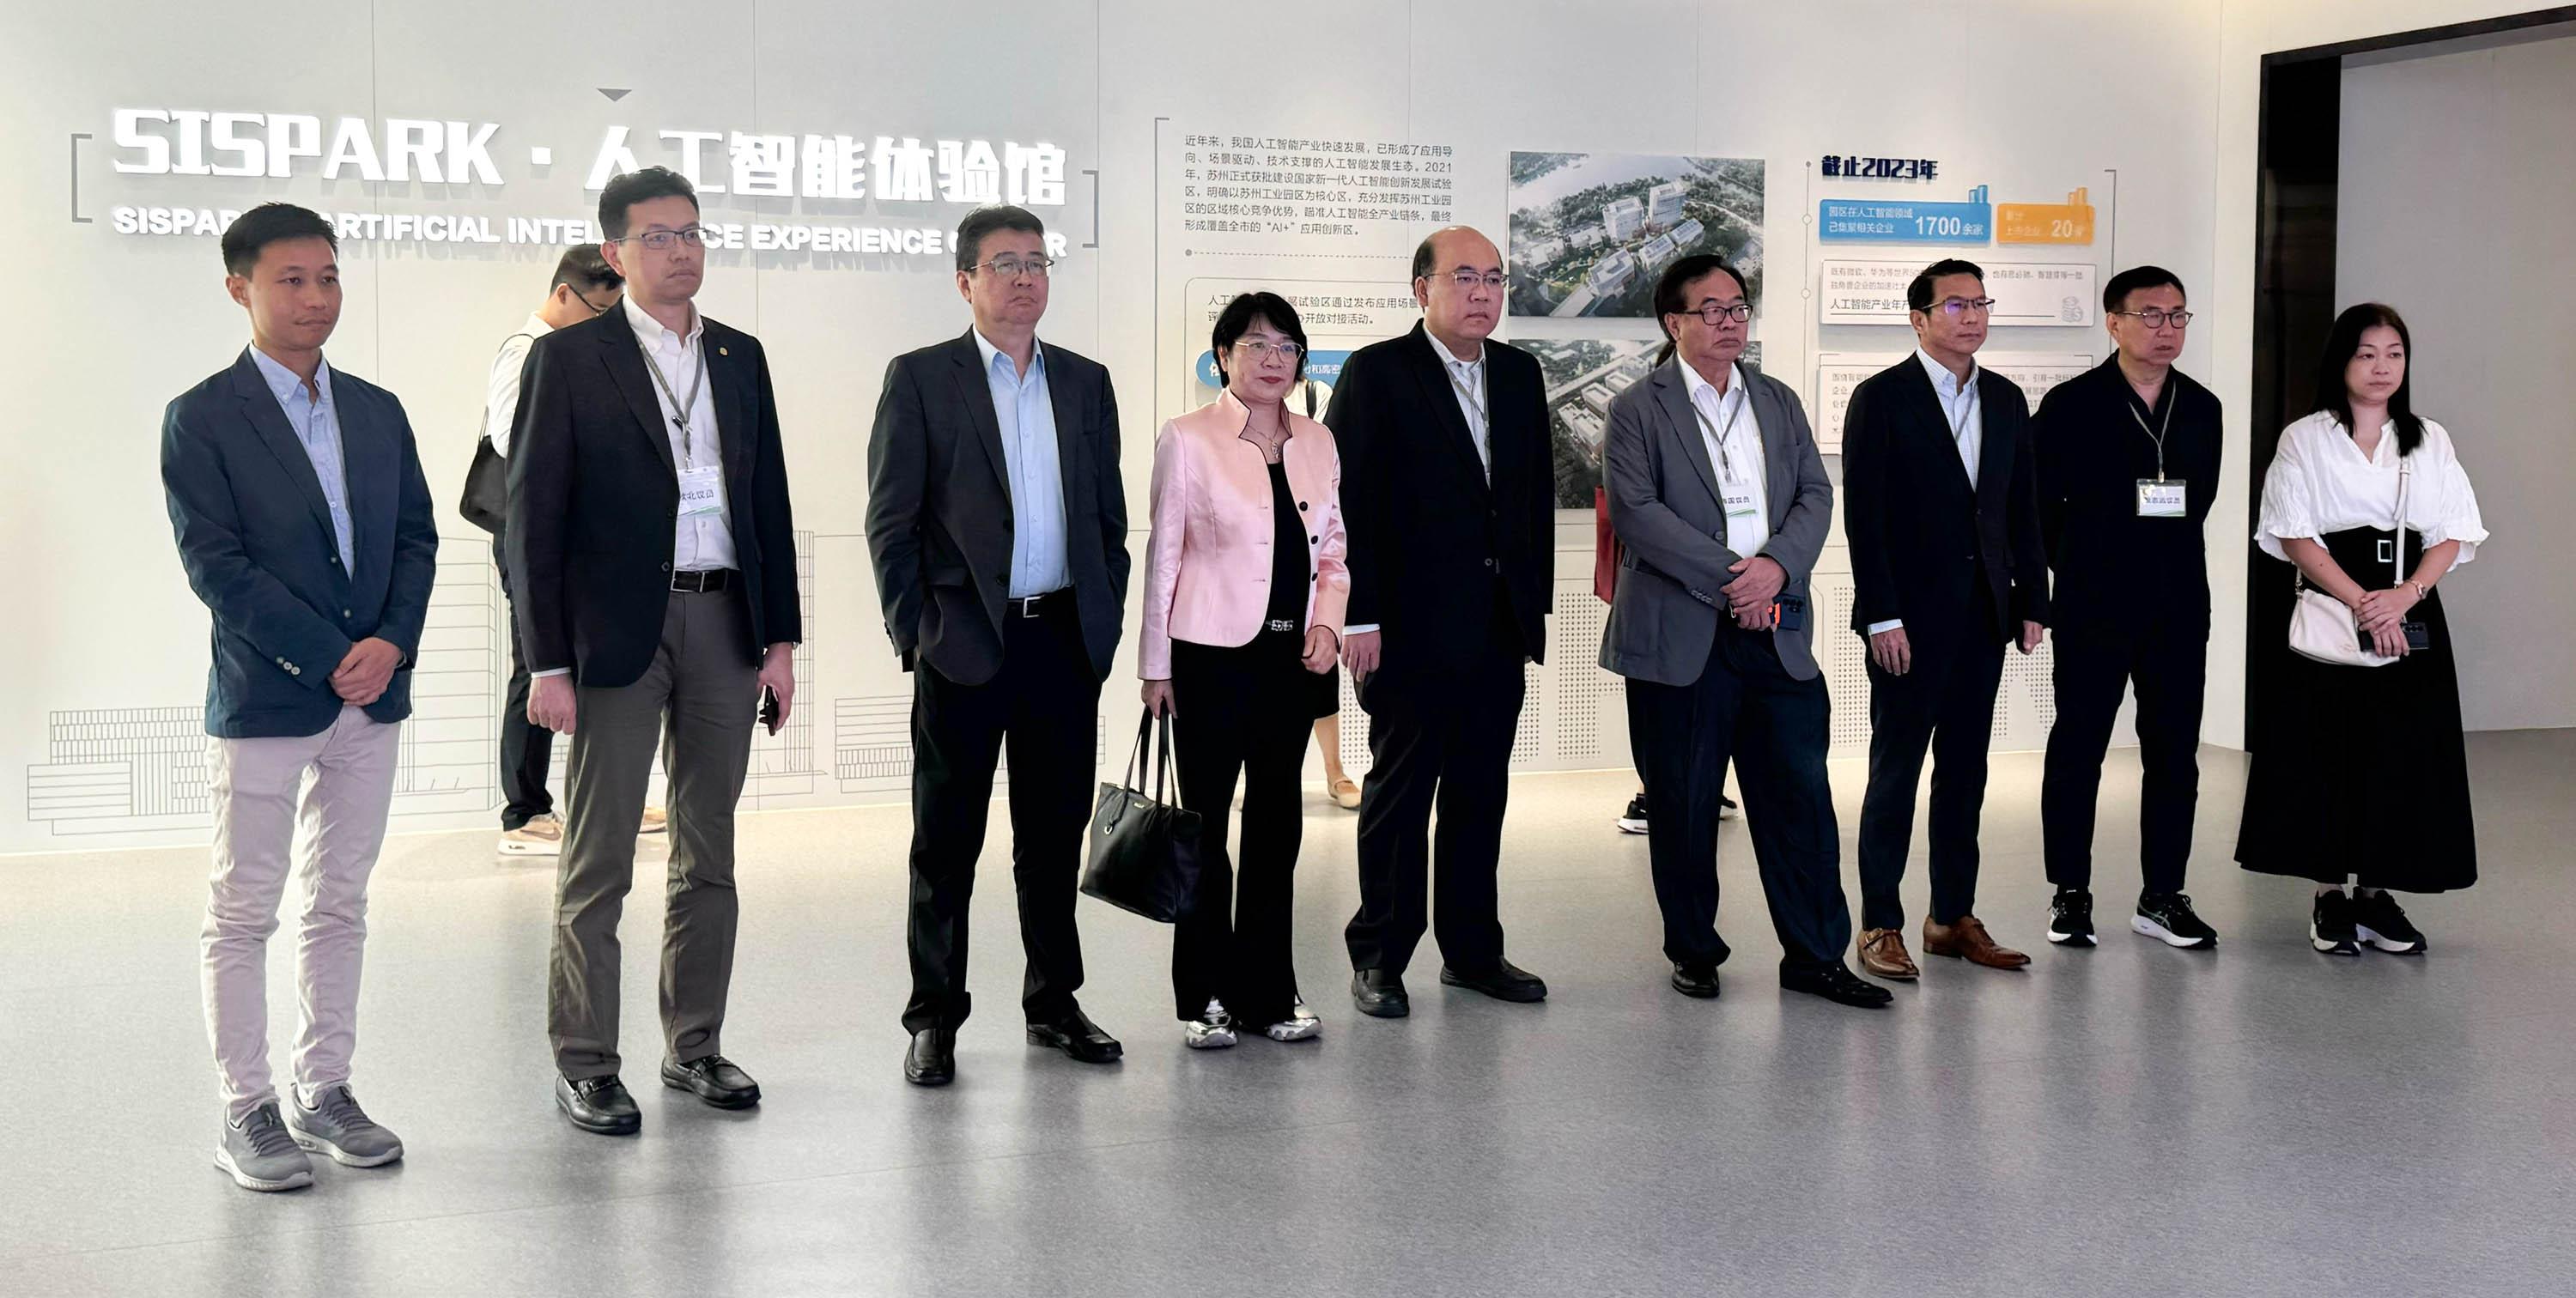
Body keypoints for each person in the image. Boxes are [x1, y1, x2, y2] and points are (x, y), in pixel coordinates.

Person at [508, 166, 804, 1133]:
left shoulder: (741, 355)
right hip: (617, 638)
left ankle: (696, 1048)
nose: (683, 251)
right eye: (660, 236)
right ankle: (587, 1061)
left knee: (708, 855)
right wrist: (546, 662)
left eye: (693, 233)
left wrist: (781, 637)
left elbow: (768, 505)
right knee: (598, 861)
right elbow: (532, 524)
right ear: (615, 254)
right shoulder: (570, 360)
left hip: (725, 623)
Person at [163, 203, 436, 1190]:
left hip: (372, 699)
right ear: (239, 287)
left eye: (327, 277)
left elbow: (415, 539)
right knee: (243, 910)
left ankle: (326, 1089)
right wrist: (329, 656)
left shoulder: (377, 409)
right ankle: (247, 1108)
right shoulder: (202, 416)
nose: (315, 297)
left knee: (343, 902)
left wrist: (390, 644)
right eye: (291, 279)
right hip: (269, 698)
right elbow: (218, 566)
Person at [866, 205, 1131, 1085]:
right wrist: (916, 634)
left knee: (1052, 838)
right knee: (946, 843)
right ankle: (934, 1016)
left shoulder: (1087, 383)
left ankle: (1054, 1002)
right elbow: (891, 523)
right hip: (963, 644)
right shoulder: (921, 380)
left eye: (1037, 262)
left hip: (1061, 642)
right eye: (1004, 263)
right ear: (965, 281)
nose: (1025, 277)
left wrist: (1103, 624)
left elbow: (1107, 522)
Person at [1599, 255, 1891, 1009]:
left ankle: (1817, 955)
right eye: (1712, 310)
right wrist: (1741, 578)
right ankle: (1694, 950)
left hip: (1778, 633)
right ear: (1675, 323)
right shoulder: (1637, 407)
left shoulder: (1778, 401)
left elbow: (1816, 495)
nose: (1731, 323)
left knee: (1800, 803)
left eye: (1739, 309)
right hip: (1681, 637)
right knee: (1685, 806)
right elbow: (1638, 515)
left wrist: (1777, 572)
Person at [1327, 226, 1552, 1017]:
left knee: (1479, 793)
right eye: (1464, 277)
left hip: (1497, 627)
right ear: (1421, 289)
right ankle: (1380, 956)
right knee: (1401, 793)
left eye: (1495, 278)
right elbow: (1349, 504)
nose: (1483, 292)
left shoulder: (1521, 375)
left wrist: (1534, 605)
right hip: (1410, 629)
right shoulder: (1378, 373)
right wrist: (1359, 616)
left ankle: (1474, 951)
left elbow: (1530, 500)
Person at [2239, 303, 2485, 955]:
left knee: (2401, 754)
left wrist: (2403, 596)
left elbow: (2454, 530)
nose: (2382, 368)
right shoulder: (2306, 437)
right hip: (2330, 609)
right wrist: (2360, 602)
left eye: (2394, 354)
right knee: (2325, 752)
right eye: (2367, 354)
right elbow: (2292, 532)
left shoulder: (2429, 438)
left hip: (2409, 607)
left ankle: (2378, 895)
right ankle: (2328, 897)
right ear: (2341, 361)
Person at [1139, 292, 1349, 1047]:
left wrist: (1328, 623)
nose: (1271, 359)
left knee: (1277, 828)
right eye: (1255, 344)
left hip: (1293, 661)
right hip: (1207, 657)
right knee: (1203, 828)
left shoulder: (1320, 440)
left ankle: (1270, 989)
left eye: (1286, 346)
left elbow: (1333, 551)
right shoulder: (1188, 438)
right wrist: (1154, 664)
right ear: (1224, 354)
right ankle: (1204, 995)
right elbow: (1165, 556)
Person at [1841, 258, 2050, 979]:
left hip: (1985, 616)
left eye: (1980, 303)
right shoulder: (1882, 399)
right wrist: (1881, 617)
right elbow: (1865, 522)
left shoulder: (2006, 398)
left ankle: (1952, 917)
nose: (1972, 316)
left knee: (1966, 773)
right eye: (1955, 304)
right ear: (1919, 318)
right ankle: (1879, 924)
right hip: (1909, 622)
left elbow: (2021, 509)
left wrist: (2030, 600)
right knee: (1895, 771)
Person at [2033, 266, 2223, 950]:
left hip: (2177, 606)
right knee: (2079, 747)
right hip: (2093, 605)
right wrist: (2080, 566)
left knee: (2174, 754)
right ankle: (2070, 892)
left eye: (2177, 316)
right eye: (2151, 315)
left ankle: (2162, 895)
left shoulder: (2203, 408)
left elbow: (2198, 502)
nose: (2166, 329)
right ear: (2113, 322)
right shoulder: (2071, 405)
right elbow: (2037, 506)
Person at [480, 247, 665, 858]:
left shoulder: (587, 355)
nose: (606, 324)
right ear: (564, 296)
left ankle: (607, 794)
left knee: (598, 663)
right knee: (536, 666)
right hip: (536, 540)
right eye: (599, 309)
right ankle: (524, 812)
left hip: (587, 540)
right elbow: (517, 442)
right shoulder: (526, 351)